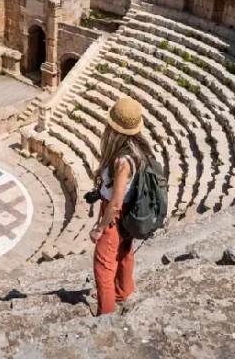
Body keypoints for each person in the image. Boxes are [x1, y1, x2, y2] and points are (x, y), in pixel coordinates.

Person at [89, 96, 151, 316]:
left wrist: (99, 228)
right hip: (129, 213)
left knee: (102, 268)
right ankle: (123, 291)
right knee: (124, 252)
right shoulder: (138, 150)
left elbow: (115, 203)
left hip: (115, 216)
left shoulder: (122, 161)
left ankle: (104, 315)